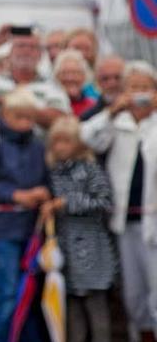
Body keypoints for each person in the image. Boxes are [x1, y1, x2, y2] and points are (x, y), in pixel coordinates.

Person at [81, 60, 157, 342]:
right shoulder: (117, 122)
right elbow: (86, 137)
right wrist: (113, 110)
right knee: (133, 295)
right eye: (134, 87)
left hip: (154, 223)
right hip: (124, 222)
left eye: (145, 87)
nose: (140, 93)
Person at [41, 115, 116, 342]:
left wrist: (67, 202)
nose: (61, 147)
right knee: (71, 307)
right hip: (65, 249)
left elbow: (105, 202)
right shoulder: (52, 172)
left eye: (67, 141)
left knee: (96, 306)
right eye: (56, 141)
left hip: (93, 249)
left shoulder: (90, 168)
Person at [0, 88, 50, 342]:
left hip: (33, 228)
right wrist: (15, 195)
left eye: (29, 117)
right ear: (5, 115)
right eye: (18, 116)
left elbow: (47, 179)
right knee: (8, 292)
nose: (25, 123)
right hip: (3, 228)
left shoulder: (37, 145)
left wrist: (45, 193)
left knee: (32, 293)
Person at [0, 24, 71, 127]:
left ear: (40, 54)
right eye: (21, 46)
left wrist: (15, 105)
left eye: (32, 47)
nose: (26, 51)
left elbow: (61, 117)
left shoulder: (52, 85)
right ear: (10, 52)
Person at [53, 49, 98, 118]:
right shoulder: (51, 105)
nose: (70, 78)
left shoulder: (93, 105)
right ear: (57, 77)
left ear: (84, 77)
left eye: (75, 73)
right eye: (64, 73)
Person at [81, 54, 125, 122]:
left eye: (117, 77)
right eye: (105, 79)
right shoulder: (88, 116)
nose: (112, 84)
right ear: (97, 82)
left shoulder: (139, 110)